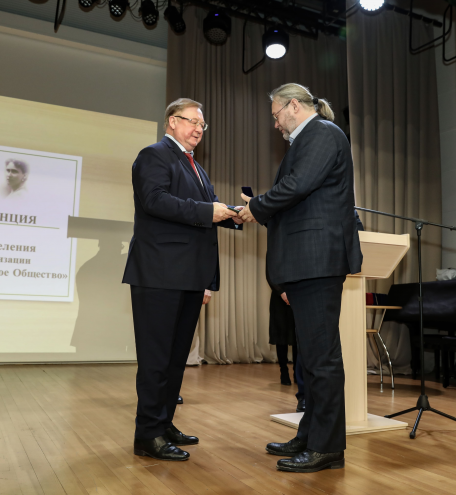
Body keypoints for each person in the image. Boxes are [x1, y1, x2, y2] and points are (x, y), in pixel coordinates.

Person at [239, 83, 362, 473]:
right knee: (310, 358)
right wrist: (261, 207)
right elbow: (297, 196)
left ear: (294, 105)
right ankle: (310, 435)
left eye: (276, 115)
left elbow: (297, 186)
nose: (275, 124)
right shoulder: (308, 139)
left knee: (321, 358)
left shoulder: (322, 133)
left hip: (317, 261)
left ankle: (327, 447)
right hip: (306, 262)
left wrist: (258, 207)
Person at [122, 98, 242, 462]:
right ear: (172, 122)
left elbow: (207, 211)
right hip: (159, 273)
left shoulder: (196, 167)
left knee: (176, 359)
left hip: (189, 275)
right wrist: (209, 210)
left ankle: (164, 423)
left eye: (202, 125)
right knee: (156, 358)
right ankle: (147, 435)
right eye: (192, 122)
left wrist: (235, 214)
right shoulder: (154, 155)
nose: (198, 130)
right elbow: (155, 200)